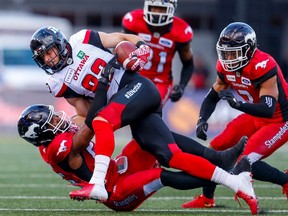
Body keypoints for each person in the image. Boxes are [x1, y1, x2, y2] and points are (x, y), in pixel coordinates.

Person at [30, 26, 258, 214]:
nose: (48, 59)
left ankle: (97, 184)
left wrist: (140, 48)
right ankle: (234, 179)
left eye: (49, 52)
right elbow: (88, 112)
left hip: (135, 85)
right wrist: (102, 85)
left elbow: (122, 38)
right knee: (170, 156)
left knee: (102, 122)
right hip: (123, 101)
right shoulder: (57, 82)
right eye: (43, 57)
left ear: (59, 44)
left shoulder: (82, 39)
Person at [18, 104, 253, 212]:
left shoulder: (54, 140)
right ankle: (225, 176)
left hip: (115, 169)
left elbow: (80, 119)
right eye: (53, 122)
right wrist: (102, 107)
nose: (59, 120)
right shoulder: (55, 148)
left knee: (156, 138)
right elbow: (84, 132)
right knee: (162, 176)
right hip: (115, 191)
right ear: (42, 134)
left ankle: (217, 158)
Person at [183, 22, 288, 209]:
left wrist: (238, 104)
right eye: (226, 52)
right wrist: (202, 120)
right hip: (256, 117)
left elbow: (268, 109)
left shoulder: (263, 65)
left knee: (244, 162)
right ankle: (207, 199)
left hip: (279, 121)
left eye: (234, 52)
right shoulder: (225, 67)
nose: (228, 58)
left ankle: (285, 180)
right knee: (213, 151)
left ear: (249, 50)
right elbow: (212, 96)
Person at [122, 0, 194, 105]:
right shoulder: (134, 21)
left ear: (171, 9)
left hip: (161, 81)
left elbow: (188, 63)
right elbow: (119, 48)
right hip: (133, 76)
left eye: (161, 9)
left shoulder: (180, 31)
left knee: (150, 110)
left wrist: (182, 86)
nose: (156, 13)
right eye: (153, 8)